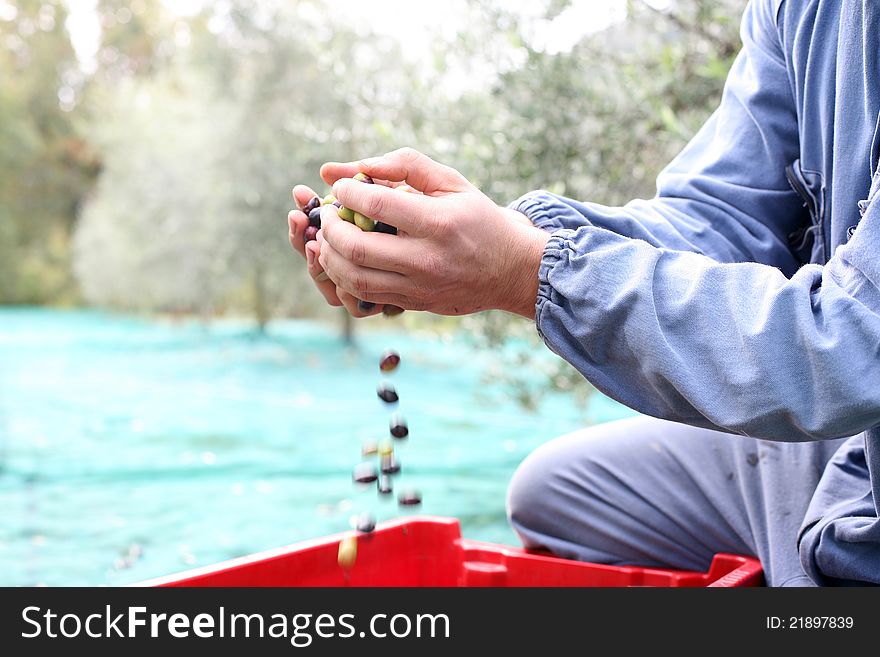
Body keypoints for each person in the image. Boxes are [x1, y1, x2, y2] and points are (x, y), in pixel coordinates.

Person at [288, 0, 880, 586]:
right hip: (851, 451)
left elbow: (857, 344)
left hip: (855, 423)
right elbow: (725, 220)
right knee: (557, 491)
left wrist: (526, 270)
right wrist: (489, 241)